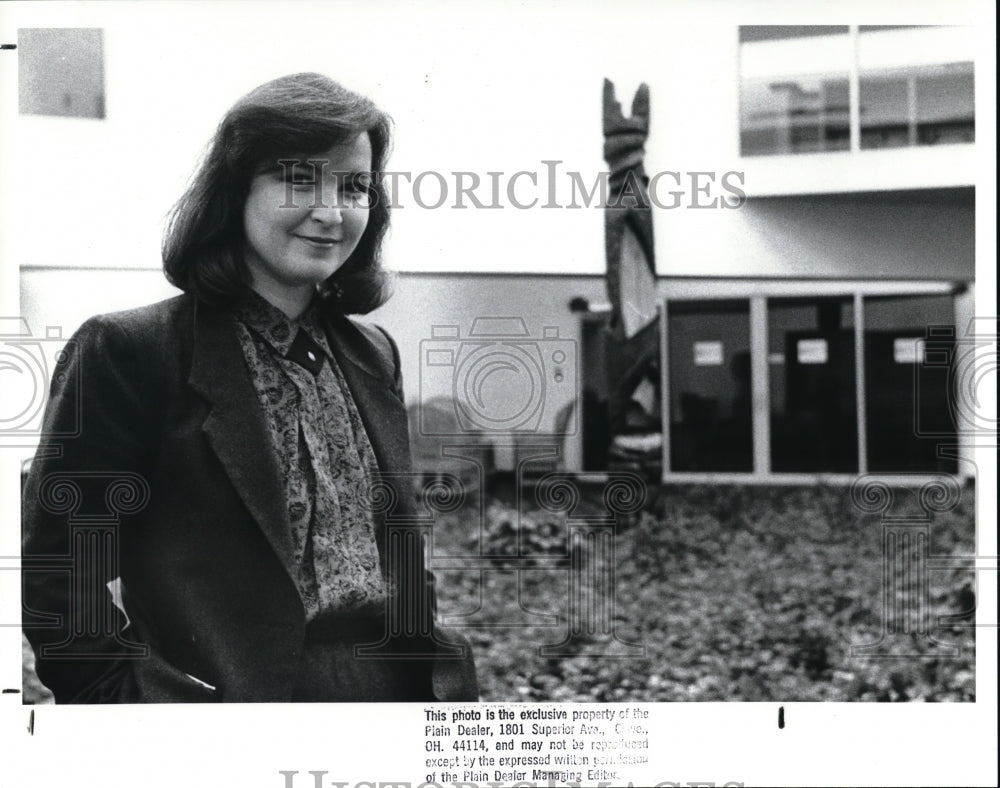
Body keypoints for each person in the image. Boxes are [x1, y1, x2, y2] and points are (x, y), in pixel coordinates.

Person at [21, 73, 478, 703]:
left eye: (354, 186)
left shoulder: (374, 354)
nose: (330, 210)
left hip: (396, 700)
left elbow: (399, 550)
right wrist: (132, 703)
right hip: (228, 715)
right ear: (235, 191)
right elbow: (60, 574)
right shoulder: (129, 353)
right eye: (298, 179)